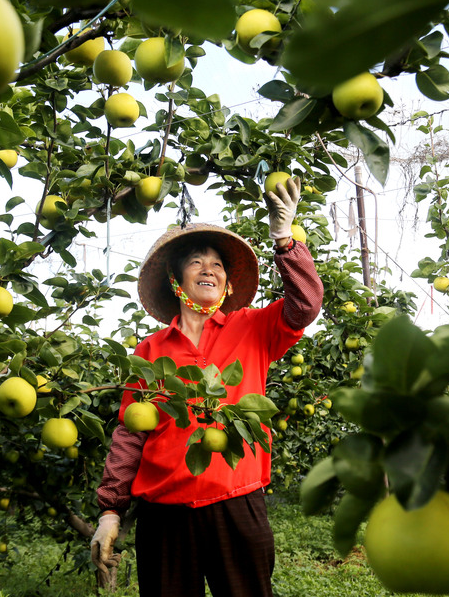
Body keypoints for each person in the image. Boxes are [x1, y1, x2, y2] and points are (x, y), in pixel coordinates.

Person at [89, 175, 323, 597]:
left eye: (217, 263)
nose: (209, 268)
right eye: (197, 261)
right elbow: (130, 434)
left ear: (228, 284)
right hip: (164, 515)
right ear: (177, 280)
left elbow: (305, 306)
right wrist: (110, 511)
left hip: (237, 503)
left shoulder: (252, 327)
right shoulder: (149, 350)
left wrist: (285, 240)